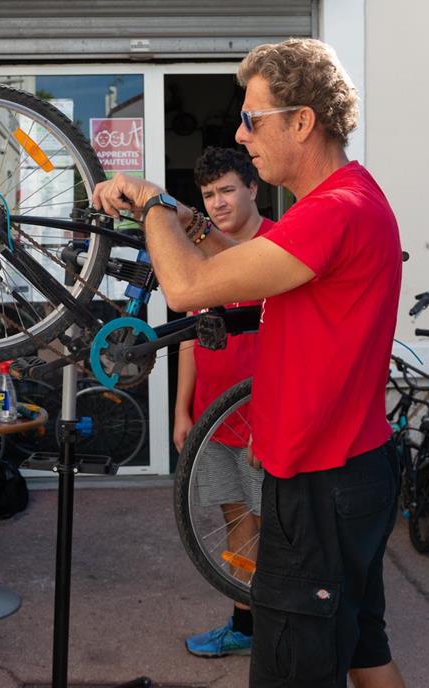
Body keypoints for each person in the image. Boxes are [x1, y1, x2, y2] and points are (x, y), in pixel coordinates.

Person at [93, 39, 405, 688]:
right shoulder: (344, 201)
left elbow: (184, 286)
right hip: (352, 472)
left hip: (318, 482)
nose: (240, 133)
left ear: (301, 121)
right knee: (364, 656)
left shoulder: (331, 213)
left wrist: (152, 200)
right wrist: (184, 219)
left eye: (253, 118)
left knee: (290, 670)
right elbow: (221, 257)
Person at [173, 146, 273, 658]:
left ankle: (284, 633)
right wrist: (182, 411)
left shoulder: (277, 247)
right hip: (215, 419)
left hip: (265, 420)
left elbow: (291, 346)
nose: (218, 203)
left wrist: (270, 421)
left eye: (227, 190)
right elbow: (192, 336)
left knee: (276, 526)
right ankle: (244, 625)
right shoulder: (201, 256)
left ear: (253, 188)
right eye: (209, 195)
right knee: (236, 521)